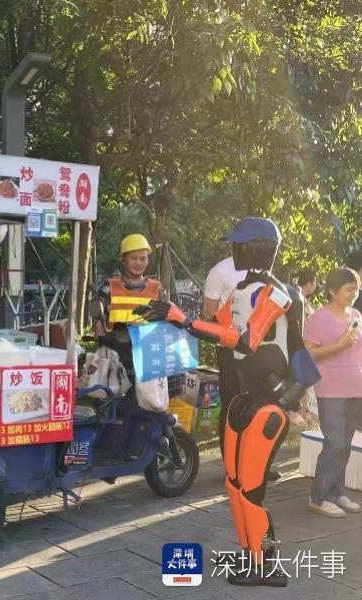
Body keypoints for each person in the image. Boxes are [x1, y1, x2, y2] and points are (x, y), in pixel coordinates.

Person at [136, 217, 320, 587]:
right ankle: (249, 553)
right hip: (244, 398)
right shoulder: (240, 291)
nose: (234, 250)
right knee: (234, 484)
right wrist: (176, 319)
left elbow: (247, 340)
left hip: (269, 404)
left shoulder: (276, 294)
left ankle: (266, 564)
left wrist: (184, 321)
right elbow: (219, 329)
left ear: (259, 249)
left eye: (240, 244)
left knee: (251, 491)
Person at [303, 267, 362, 518]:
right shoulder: (319, 318)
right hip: (331, 389)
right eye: (349, 289)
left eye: (356, 289)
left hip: (355, 388)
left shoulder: (356, 315)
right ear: (332, 290)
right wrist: (339, 345)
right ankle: (318, 497)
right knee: (334, 443)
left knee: (345, 445)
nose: (354, 294)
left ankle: (337, 493)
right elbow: (308, 354)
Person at [92, 233, 166, 384]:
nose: (138, 263)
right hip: (116, 363)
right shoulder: (108, 288)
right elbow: (98, 321)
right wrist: (101, 349)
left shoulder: (157, 290)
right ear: (123, 259)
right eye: (134, 258)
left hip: (147, 360)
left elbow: (166, 321)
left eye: (143, 258)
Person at [203, 255, 246, 459]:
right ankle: (230, 462)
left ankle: (252, 460)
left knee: (255, 405)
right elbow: (208, 313)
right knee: (232, 404)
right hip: (229, 348)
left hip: (257, 348)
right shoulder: (221, 271)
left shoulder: (263, 269)